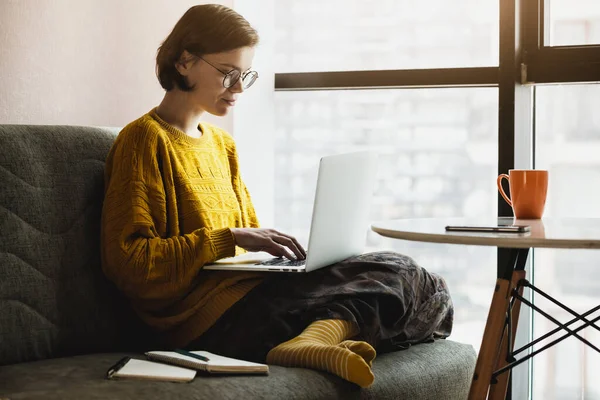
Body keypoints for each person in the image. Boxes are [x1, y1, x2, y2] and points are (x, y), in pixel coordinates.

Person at [101, 4, 453, 388]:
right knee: (403, 286)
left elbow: (246, 253)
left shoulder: (222, 145)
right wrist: (229, 238)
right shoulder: (143, 140)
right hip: (202, 323)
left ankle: (310, 340)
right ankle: (323, 335)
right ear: (185, 61)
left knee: (423, 284)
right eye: (229, 74)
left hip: (253, 298)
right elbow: (130, 265)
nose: (238, 88)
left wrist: (281, 255)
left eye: (245, 75)